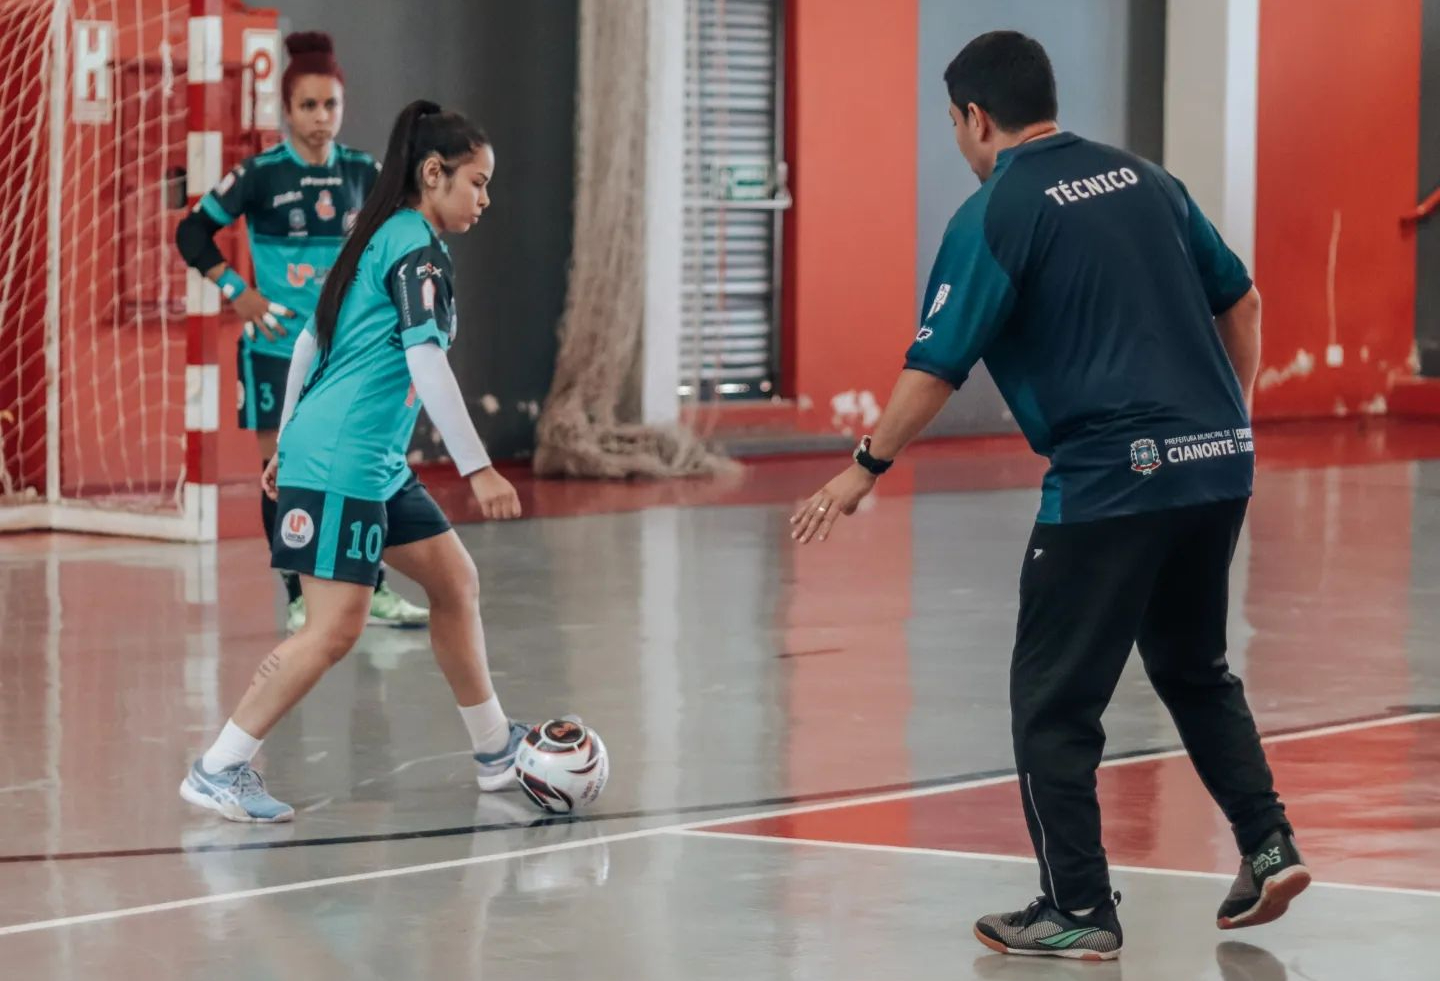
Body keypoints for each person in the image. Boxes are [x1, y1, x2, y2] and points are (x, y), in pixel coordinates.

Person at [791, 31, 1307, 961]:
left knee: (1051, 702)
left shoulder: (996, 212)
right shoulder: (1149, 181)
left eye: (952, 123)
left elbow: (934, 364)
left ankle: (1077, 905)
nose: (957, 139)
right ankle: (1268, 844)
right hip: (1218, 465)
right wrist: (1230, 418)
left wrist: (864, 464)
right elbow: (1247, 303)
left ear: (977, 118)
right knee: (1194, 667)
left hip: (1113, 482)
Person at [180, 100, 548, 823]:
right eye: (477, 182)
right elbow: (426, 362)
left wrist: (285, 440)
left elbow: (311, 344)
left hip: (366, 459)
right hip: (344, 458)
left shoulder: (375, 236)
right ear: (433, 174)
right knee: (335, 627)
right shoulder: (410, 247)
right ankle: (218, 767)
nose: (485, 199)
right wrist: (478, 467)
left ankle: (495, 750)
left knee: (454, 582)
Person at [175, 31, 428, 631]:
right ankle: (296, 594)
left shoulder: (367, 175)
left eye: (330, 106)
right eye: (308, 106)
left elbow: (403, 243)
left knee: (363, 469)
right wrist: (239, 292)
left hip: (346, 358)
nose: (320, 118)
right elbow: (191, 235)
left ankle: (375, 591)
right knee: (283, 474)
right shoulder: (260, 175)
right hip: (274, 352)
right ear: (286, 111)